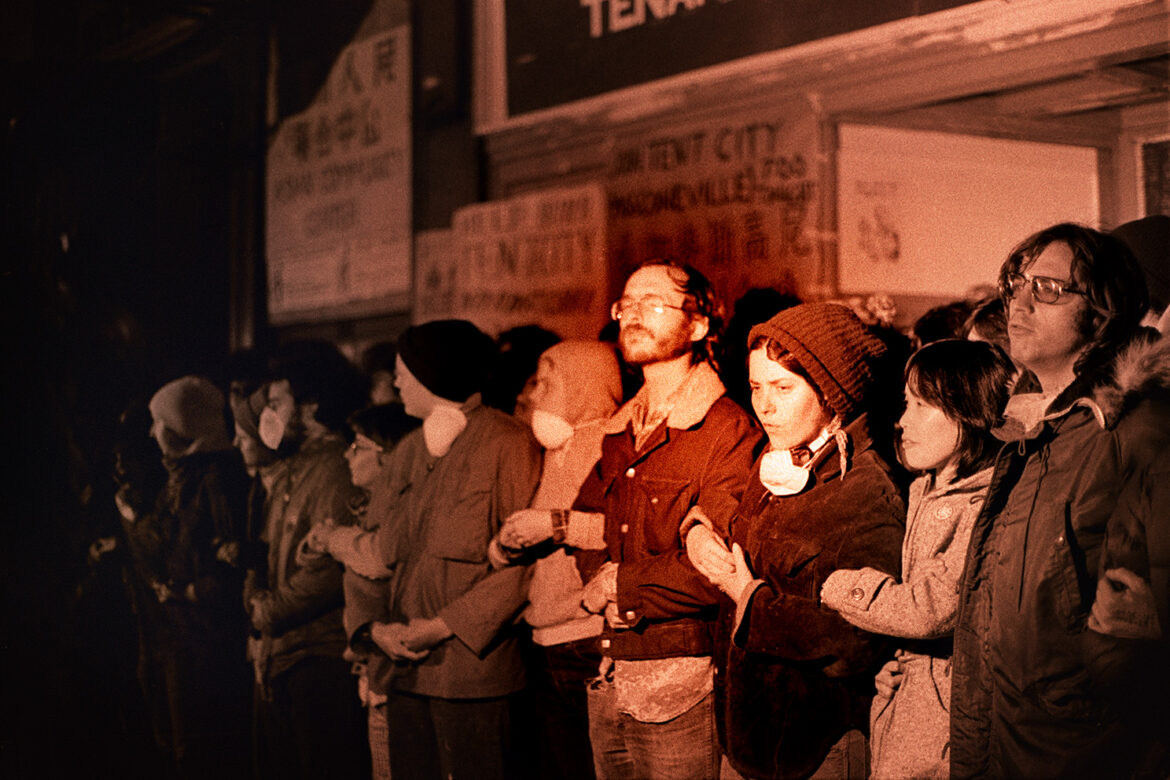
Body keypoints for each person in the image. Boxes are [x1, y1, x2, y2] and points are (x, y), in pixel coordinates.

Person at [508, 260, 762, 780]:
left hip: (685, 685)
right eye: (627, 304)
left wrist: (622, 585)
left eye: (655, 303)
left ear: (698, 325)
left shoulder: (726, 428)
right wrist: (604, 586)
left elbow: (718, 564)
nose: (633, 316)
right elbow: (592, 523)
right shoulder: (623, 428)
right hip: (614, 669)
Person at [950, 223, 1170, 778]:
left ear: (1103, 312)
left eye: (1048, 289)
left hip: (1084, 756)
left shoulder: (1131, 433)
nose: (1019, 303)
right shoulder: (1029, 429)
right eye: (1015, 284)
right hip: (1006, 746)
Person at [686, 302, 905, 780]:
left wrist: (751, 600)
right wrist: (697, 529)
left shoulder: (866, 491)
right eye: (756, 387)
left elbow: (861, 638)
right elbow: (743, 532)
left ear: (833, 392)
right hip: (747, 742)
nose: (764, 405)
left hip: (814, 753)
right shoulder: (776, 462)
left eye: (783, 388)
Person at [316, 319, 543, 780]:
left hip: (474, 680)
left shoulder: (508, 443)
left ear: (432, 371)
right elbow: (375, 552)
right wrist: (374, 630)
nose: (397, 380)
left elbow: (522, 567)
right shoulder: (406, 452)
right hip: (404, 674)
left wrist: (441, 627)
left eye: (405, 369)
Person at [820, 339, 1014, 779]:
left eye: (923, 405)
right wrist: (902, 665)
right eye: (907, 403)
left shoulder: (985, 503)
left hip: (949, 734)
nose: (903, 422)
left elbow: (930, 610)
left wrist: (833, 585)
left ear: (970, 410)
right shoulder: (925, 488)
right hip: (912, 711)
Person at [491, 340, 624, 780]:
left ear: (584, 386)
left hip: (587, 640)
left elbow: (619, 529)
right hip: (547, 641)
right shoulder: (552, 451)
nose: (533, 395)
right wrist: (507, 545)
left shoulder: (609, 446)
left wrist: (556, 526)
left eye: (548, 383)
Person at [247, 341, 370, 780]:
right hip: (286, 651)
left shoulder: (337, 469)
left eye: (279, 402)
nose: (270, 415)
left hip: (318, 658)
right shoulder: (297, 465)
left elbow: (325, 570)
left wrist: (268, 611)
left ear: (311, 404)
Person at [144, 375, 253, 779]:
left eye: (158, 421)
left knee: (211, 747)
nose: (152, 433)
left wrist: (188, 591)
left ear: (179, 425)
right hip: (184, 633)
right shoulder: (179, 479)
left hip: (210, 638)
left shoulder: (217, 480)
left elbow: (231, 563)